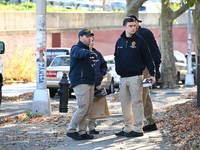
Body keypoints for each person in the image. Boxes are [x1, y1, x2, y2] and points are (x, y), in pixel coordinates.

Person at [114, 17, 156, 137]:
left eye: (134, 26)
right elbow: (116, 57)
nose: (133, 28)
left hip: (136, 77)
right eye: (130, 26)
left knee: (137, 102)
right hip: (123, 78)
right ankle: (128, 128)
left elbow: (148, 58)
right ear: (125, 27)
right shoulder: (119, 41)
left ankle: (138, 129)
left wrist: (152, 74)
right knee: (125, 103)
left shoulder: (140, 41)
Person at [128, 14, 162, 131]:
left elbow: (154, 51)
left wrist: (156, 69)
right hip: (136, 70)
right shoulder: (131, 36)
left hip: (146, 70)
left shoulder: (145, 33)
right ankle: (150, 122)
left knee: (140, 95)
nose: (132, 26)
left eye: (133, 23)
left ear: (137, 22)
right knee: (145, 96)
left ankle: (135, 124)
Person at [66, 29, 98, 140]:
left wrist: (91, 50)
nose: (90, 38)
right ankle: (71, 130)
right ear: (80, 37)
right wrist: (90, 52)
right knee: (83, 107)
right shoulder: (76, 48)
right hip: (80, 81)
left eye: (91, 37)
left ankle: (82, 131)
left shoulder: (89, 50)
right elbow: (80, 53)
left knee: (87, 108)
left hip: (89, 81)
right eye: (87, 36)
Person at [87, 36, 108, 134]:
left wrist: (101, 74)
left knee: (94, 106)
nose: (91, 43)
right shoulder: (81, 53)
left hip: (97, 83)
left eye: (92, 41)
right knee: (85, 106)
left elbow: (104, 65)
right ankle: (82, 128)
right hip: (85, 84)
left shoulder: (98, 54)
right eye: (89, 41)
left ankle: (92, 128)